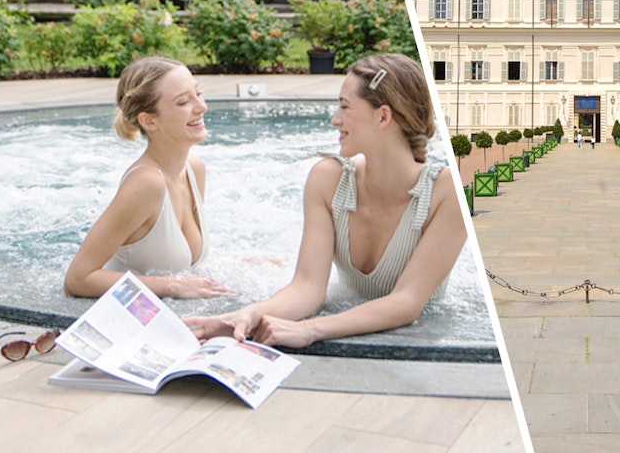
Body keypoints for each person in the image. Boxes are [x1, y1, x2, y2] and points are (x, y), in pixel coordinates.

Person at [184, 52, 466, 349]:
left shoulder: (445, 191)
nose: (335, 119)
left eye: (345, 107)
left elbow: (407, 302)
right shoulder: (328, 179)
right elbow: (307, 288)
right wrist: (242, 317)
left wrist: (310, 330)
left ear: (383, 116)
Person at [65, 56, 231, 300]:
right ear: (149, 120)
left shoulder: (194, 169)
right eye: (184, 101)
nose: (201, 107)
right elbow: (78, 279)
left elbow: (190, 266)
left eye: (198, 93)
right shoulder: (146, 184)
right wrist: (171, 285)